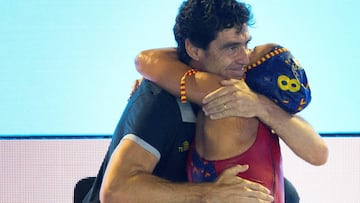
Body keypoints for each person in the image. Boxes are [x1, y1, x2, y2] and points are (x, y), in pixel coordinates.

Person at [82, 1, 277, 203]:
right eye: (231, 48)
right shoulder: (159, 100)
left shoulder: (240, 91)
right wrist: (210, 193)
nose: (245, 58)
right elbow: (116, 191)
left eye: (246, 44)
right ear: (194, 50)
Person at [136, 43, 313, 203]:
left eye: (251, 51)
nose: (244, 54)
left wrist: (171, 74)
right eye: (235, 47)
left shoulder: (224, 91)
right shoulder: (269, 118)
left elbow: (146, 60)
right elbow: (319, 153)